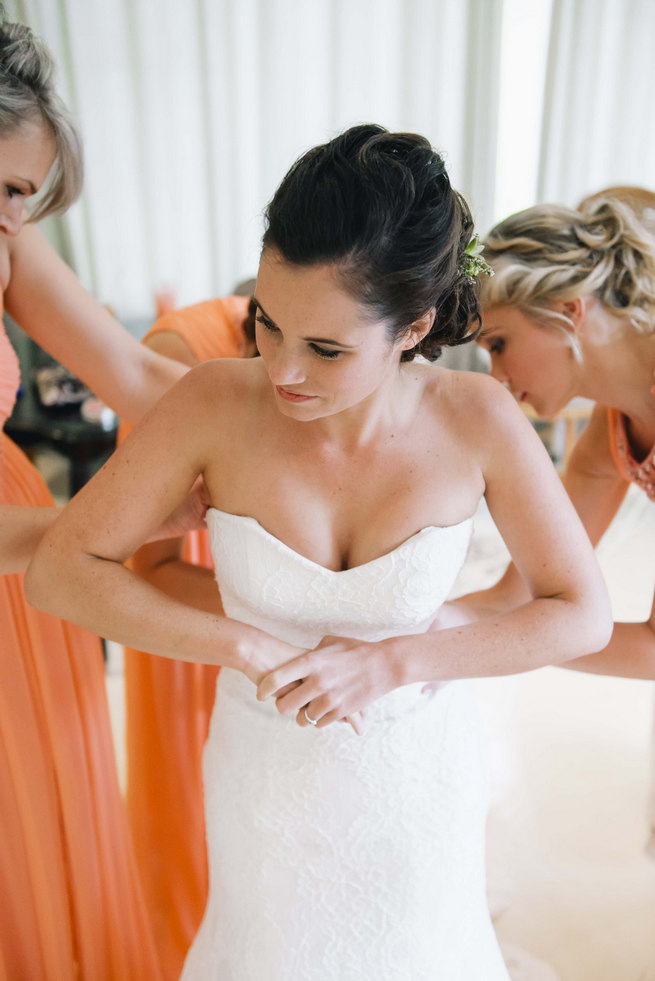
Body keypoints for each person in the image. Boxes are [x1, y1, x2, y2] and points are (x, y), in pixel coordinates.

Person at [27, 124, 612, 980]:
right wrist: (245, 644)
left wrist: (393, 663)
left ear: (413, 327)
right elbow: (61, 570)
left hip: (415, 777)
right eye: (267, 323)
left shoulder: (476, 420)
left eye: (326, 349)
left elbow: (580, 612)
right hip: (264, 775)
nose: (282, 370)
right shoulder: (211, 401)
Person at [0, 16, 198, 980]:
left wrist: (276, 444)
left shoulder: (6, 243)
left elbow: (127, 369)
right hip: (28, 539)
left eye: (21, 197)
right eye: (0, 185)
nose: (9, 217)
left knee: (52, 808)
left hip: (25, 574)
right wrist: (106, 524)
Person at [458, 194, 655, 683]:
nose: (498, 376)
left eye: (498, 344)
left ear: (568, 310)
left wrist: (449, 652)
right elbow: (519, 596)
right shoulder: (611, 434)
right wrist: (403, 636)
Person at [122, 293, 257, 979]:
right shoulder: (181, 352)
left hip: (260, 555)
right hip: (189, 560)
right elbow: (149, 546)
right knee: (194, 771)